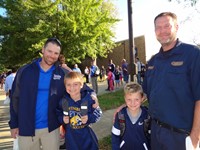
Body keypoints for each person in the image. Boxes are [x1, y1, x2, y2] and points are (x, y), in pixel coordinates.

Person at [143, 12, 200, 149]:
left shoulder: (192, 54)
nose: (162, 31)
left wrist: (196, 135)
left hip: (180, 135)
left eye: (167, 26)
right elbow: (145, 93)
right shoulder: (152, 61)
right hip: (156, 132)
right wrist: (125, 105)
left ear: (176, 27)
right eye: (158, 27)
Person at [57, 72, 102, 150]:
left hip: (87, 139)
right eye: (69, 85)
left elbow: (98, 114)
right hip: (72, 141)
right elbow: (57, 114)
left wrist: (89, 118)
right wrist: (62, 119)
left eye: (75, 84)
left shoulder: (88, 99)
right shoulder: (63, 101)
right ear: (65, 86)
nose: (72, 87)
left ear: (81, 85)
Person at [112, 82, 150, 150]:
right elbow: (115, 137)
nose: (133, 103)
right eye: (129, 99)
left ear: (142, 99)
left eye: (136, 99)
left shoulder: (147, 115)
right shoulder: (120, 116)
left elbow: (152, 138)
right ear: (125, 99)